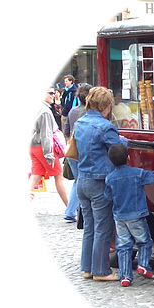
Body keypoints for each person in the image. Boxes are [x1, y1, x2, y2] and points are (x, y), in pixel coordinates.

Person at [75, 86, 127, 281]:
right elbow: (118, 150)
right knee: (103, 227)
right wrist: (124, 141)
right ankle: (100, 270)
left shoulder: (81, 121)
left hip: (83, 179)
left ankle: (87, 268)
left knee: (89, 226)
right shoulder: (105, 127)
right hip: (99, 182)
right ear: (106, 106)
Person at [104, 143, 154, 287]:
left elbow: (107, 196)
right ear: (129, 158)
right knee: (144, 241)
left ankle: (124, 276)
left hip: (119, 217)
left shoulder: (109, 178)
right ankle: (143, 265)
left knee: (123, 246)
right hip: (136, 215)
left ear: (111, 161)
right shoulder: (138, 173)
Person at [29, 88, 69, 205]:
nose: (54, 95)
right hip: (42, 147)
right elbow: (46, 135)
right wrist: (49, 155)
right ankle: (69, 208)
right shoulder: (45, 111)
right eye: (50, 93)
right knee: (58, 176)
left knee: (36, 175)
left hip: (34, 146)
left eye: (54, 92)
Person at [62, 84, 90, 222]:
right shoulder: (89, 112)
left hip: (72, 151)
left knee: (78, 181)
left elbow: (66, 131)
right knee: (80, 181)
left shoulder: (73, 111)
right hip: (83, 151)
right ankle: (72, 210)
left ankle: (71, 210)